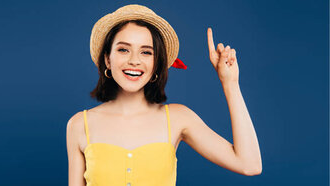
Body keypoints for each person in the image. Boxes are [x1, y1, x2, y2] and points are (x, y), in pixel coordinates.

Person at [66, 4, 262, 186]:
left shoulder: (178, 118)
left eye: (146, 52)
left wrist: (230, 83)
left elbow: (250, 164)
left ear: (157, 64)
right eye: (124, 49)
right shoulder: (79, 125)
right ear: (108, 59)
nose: (134, 61)